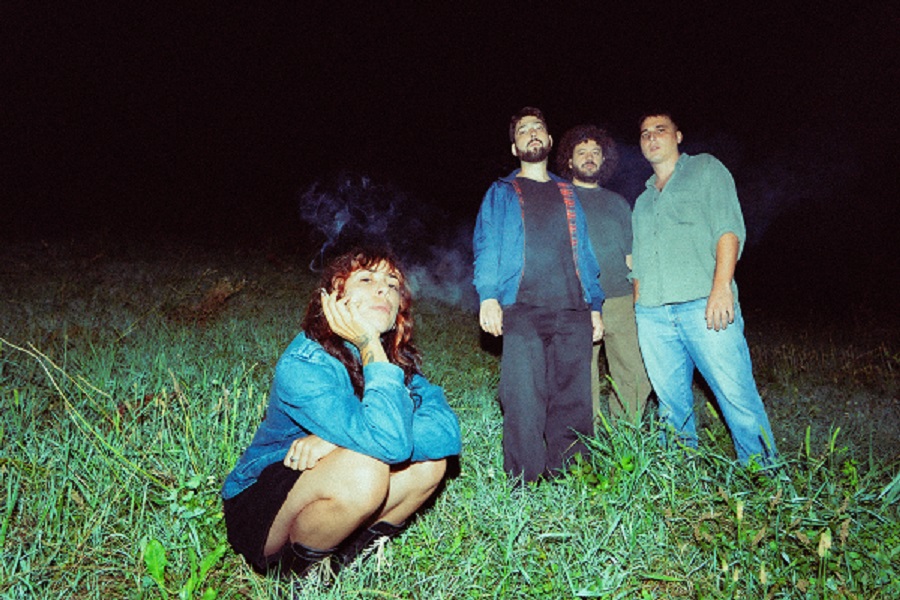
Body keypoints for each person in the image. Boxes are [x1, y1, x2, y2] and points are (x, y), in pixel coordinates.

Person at [221, 248, 462, 583]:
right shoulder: (305, 363)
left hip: (333, 478)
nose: (384, 288)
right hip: (263, 506)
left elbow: (446, 432)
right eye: (366, 279)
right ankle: (296, 579)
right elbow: (389, 443)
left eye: (393, 284)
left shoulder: (395, 362)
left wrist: (334, 443)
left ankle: (341, 564)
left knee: (430, 466)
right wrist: (368, 344)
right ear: (335, 295)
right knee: (366, 467)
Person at [631, 112, 778, 466]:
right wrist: (639, 307)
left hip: (703, 305)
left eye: (660, 130)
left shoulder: (706, 170)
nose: (652, 137)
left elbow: (727, 230)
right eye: (645, 133)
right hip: (653, 315)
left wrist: (721, 287)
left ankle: (765, 480)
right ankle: (679, 478)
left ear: (678, 136)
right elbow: (638, 259)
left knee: (736, 396)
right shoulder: (642, 200)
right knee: (670, 405)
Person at [473, 107, 605, 483]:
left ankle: (570, 474)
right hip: (522, 307)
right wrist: (488, 296)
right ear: (514, 148)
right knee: (523, 395)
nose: (531, 133)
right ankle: (524, 479)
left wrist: (594, 304)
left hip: (572, 308)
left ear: (548, 141)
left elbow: (585, 252)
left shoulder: (567, 192)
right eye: (523, 130)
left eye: (538, 128)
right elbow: (487, 245)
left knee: (573, 396)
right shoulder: (502, 192)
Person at [557, 125, 652, 427]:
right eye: (582, 152)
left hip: (621, 300)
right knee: (580, 376)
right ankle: (589, 438)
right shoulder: (558, 199)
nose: (589, 157)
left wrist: (639, 300)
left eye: (595, 152)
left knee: (635, 373)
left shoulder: (618, 203)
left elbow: (631, 258)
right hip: (577, 300)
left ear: (603, 159)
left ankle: (625, 435)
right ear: (569, 160)